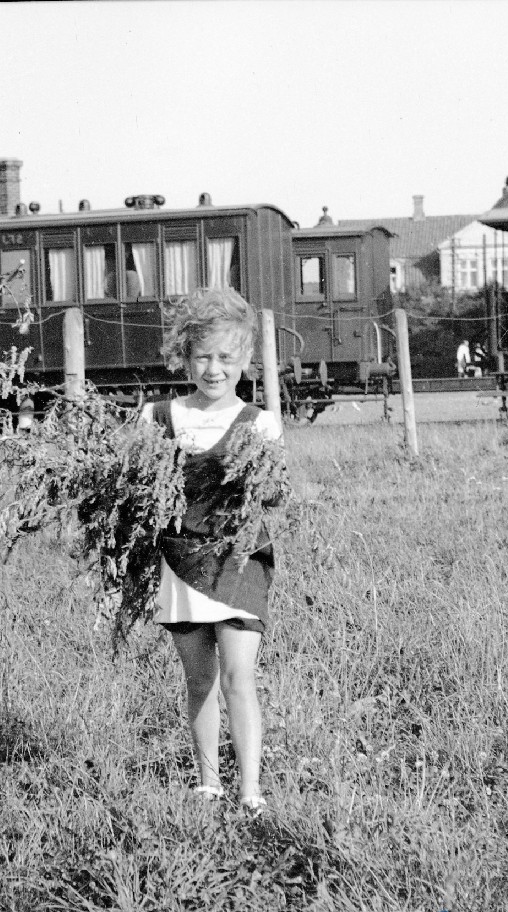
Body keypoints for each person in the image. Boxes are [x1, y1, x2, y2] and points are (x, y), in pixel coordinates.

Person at [140, 287, 284, 813]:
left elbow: (274, 495)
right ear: (185, 355)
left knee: (238, 675)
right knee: (198, 675)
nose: (214, 368)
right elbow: (133, 489)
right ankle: (207, 782)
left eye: (226, 357)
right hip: (179, 561)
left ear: (245, 359)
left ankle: (250, 788)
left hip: (239, 561)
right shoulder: (158, 417)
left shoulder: (261, 423)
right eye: (203, 355)